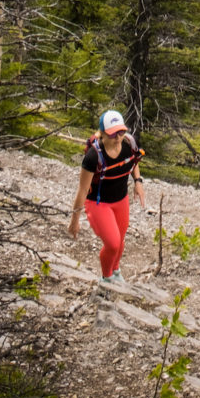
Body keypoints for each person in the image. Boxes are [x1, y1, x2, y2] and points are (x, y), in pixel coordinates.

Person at [68, 109, 146, 283]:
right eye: (112, 134)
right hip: (98, 203)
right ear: (102, 133)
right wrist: (75, 220)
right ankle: (106, 278)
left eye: (121, 132)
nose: (118, 137)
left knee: (120, 241)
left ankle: (116, 271)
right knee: (113, 243)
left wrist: (138, 181)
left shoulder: (129, 144)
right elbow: (82, 190)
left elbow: (133, 161)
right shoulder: (93, 157)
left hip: (121, 200)